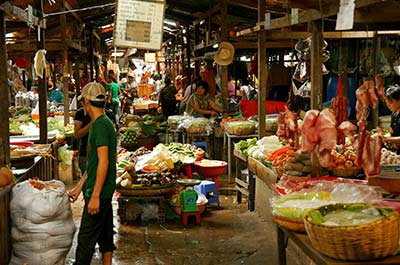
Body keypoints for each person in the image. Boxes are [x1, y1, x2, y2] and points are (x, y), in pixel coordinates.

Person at [68, 82, 117, 265]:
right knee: (105, 239)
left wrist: (95, 195)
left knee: (85, 242)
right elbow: (94, 164)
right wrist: (78, 187)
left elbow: (104, 162)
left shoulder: (100, 126)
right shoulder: (102, 123)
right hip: (101, 191)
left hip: (99, 193)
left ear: (87, 102)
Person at [383, 84, 400, 153]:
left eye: (390, 102)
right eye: (387, 102)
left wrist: (386, 139)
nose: (388, 105)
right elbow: (391, 131)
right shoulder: (394, 114)